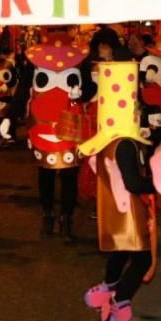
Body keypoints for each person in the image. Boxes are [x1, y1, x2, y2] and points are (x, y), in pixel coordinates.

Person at [79, 57, 155, 321]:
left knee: (121, 253)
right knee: (143, 260)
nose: (138, 111)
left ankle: (106, 289)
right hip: (129, 212)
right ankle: (117, 303)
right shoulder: (125, 144)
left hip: (115, 210)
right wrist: (157, 184)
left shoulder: (108, 140)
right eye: (135, 106)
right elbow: (134, 183)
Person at [18, 30, 96, 244]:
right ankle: (48, 214)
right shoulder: (34, 59)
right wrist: (11, 114)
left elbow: (90, 87)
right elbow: (24, 87)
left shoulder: (80, 58)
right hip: (42, 124)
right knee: (46, 174)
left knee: (70, 174)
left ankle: (67, 218)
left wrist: (80, 93)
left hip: (71, 120)